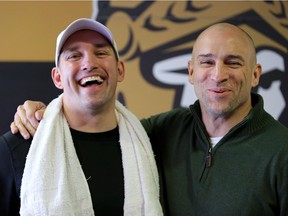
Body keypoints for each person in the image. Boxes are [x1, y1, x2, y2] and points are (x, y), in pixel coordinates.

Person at [10, 23, 288, 215]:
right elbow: (98, 127)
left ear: (255, 74)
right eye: (206, 62)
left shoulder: (282, 150)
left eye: (233, 62)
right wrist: (40, 114)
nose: (218, 74)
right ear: (191, 71)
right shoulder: (159, 132)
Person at [0, 18, 163, 216]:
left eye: (101, 53)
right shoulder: (18, 147)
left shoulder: (150, 146)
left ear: (120, 70)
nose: (89, 63)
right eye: (74, 56)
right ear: (57, 77)